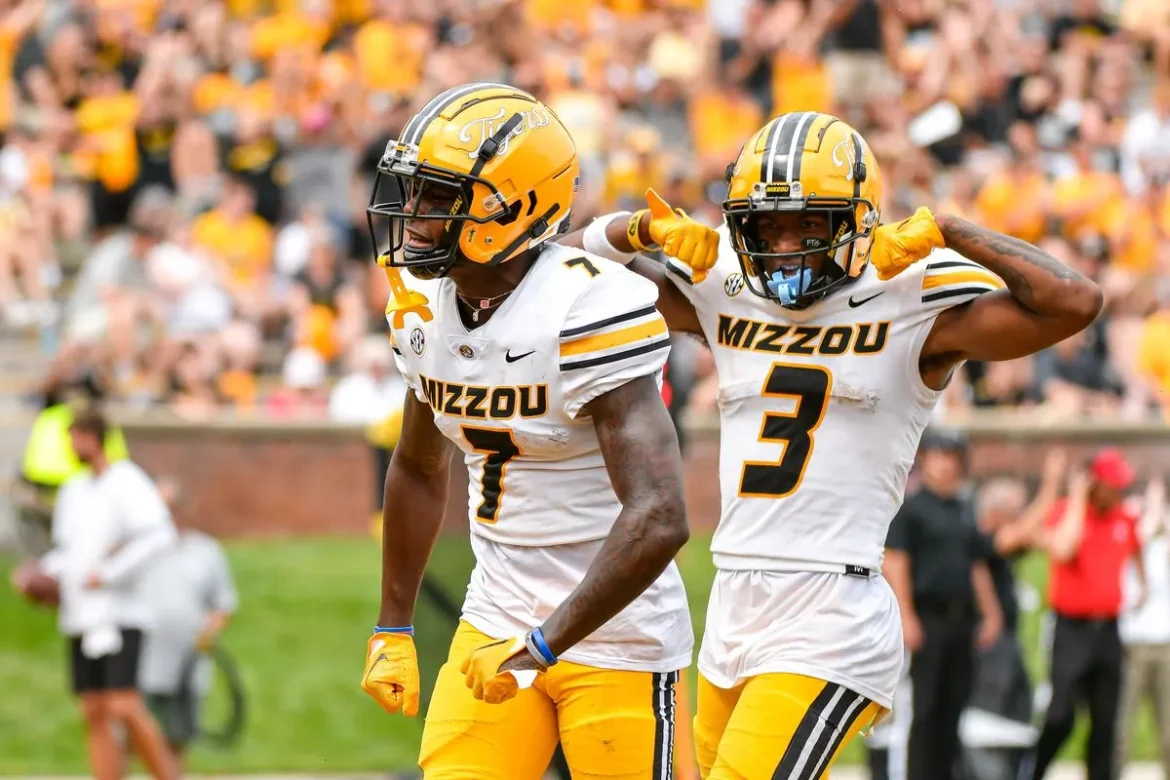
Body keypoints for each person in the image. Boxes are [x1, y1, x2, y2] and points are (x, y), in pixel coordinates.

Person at [575, 110, 1103, 778]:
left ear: (859, 222)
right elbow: (556, 279)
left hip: (831, 612)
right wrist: (632, 230)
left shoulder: (907, 297)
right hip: (734, 603)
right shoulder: (727, 290)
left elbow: (1074, 302)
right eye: (767, 226)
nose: (785, 245)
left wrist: (950, 230)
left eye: (809, 224)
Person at [359, 83, 692, 780]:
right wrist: (392, 625)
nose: (412, 215)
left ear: (510, 208)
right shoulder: (425, 310)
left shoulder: (588, 305)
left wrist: (543, 646)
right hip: (497, 615)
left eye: (438, 196)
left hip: (617, 636)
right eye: (413, 192)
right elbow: (419, 466)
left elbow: (660, 515)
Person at [11, 408, 178, 780]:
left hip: (120, 613)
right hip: (81, 615)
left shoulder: (127, 481)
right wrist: (40, 574)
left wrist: (108, 574)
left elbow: (156, 536)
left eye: (75, 438)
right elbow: (70, 552)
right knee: (94, 709)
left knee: (124, 705)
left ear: (92, 437)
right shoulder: (74, 490)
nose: (71, 447)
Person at [883, 430, 1004, 780]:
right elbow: (897, 561)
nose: (945, 464)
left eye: (951, 457)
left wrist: (991, 612)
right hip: (929, 616)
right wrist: (906, 615)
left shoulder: (964, 508)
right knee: (926, 709)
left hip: (961, 618)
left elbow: (976, 563)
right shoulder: (912, 509)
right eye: (938, 456)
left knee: (955, 705)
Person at [1030, 448, 1147, 780]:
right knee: (1061, 715)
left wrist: (1143, 587)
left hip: (1108, 630)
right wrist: (1078, 497)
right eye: (1111, 484)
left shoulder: (1124, 518)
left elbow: (1136, 552)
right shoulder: (1068, 513)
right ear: (1093, 482)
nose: (1118, 490)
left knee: (1105, 719)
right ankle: (1034, 771)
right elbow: (1064, 548)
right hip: (1072, 630)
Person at [138, 476, 239, 767]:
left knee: (177, 737)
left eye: (171, 507)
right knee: (137, 734)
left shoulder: (205, 550)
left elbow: (223, 604)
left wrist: (209, 632)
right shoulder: (138, 550)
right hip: (140, 661)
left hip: (187, 664)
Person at [1116, 475, 1169, 778]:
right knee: (1121, 726)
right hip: (1133, 644)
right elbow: (1137, 539)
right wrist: (1151, 508)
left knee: (1168, 727)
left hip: (1165, 645)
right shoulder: (1130, 539)